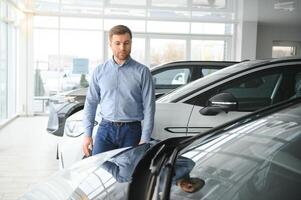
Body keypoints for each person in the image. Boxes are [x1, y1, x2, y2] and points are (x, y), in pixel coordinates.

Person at [82, 25, 155, 157]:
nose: (122, 47)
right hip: (105, 129)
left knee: (128, 173)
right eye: (118, 43)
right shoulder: (99, 71)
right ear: (110, 44)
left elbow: (149, 107)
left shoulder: (142, 72)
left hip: (132, 131)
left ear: (131, 43)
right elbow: (91, 103)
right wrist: (87, 134)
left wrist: (145, 138)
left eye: (126, 43)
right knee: (98, 168)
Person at [101, 142, 204, 194]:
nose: (190, 184)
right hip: (143, 154)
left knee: (123, 178)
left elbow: (143, 183)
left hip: (136, 168)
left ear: (185, 191)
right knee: (124, 172)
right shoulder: (188, 166)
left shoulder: (163, 188)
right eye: (194, 182)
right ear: (195, 178)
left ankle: (97, 158)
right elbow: (166, 153)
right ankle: (99, 158)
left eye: (190, 187)